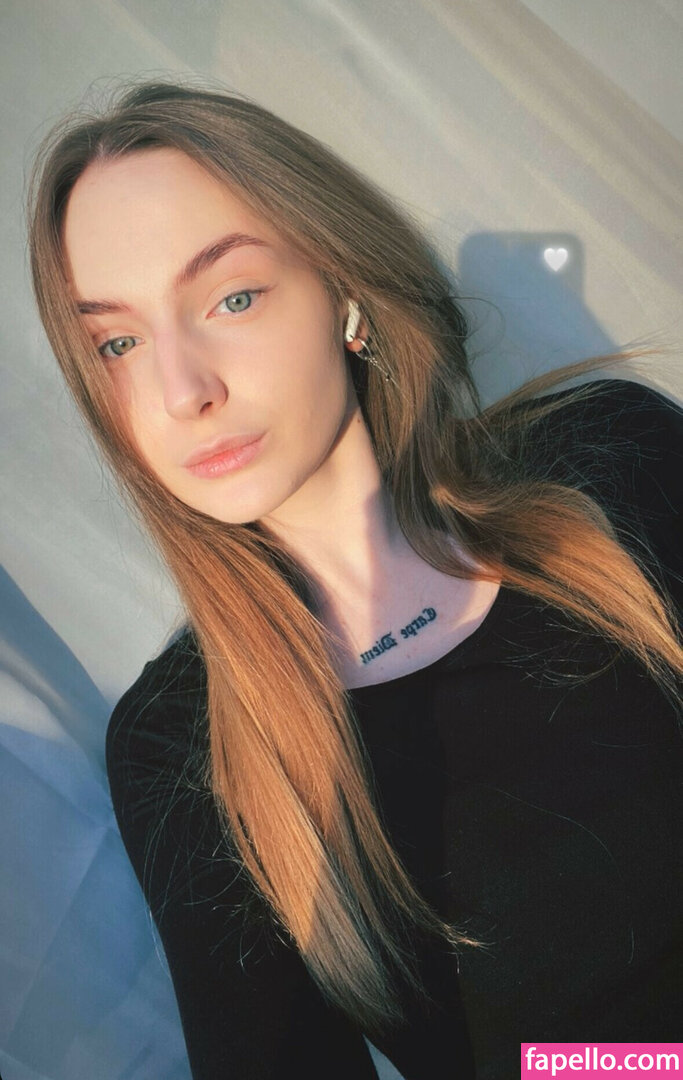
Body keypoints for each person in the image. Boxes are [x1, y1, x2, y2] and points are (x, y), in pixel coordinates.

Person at [26, 78, 682, 1080]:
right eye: (118, 342)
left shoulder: (606, 465)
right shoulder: (186, 745)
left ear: (343, 291)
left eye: (231, 297)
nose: (181, 390)